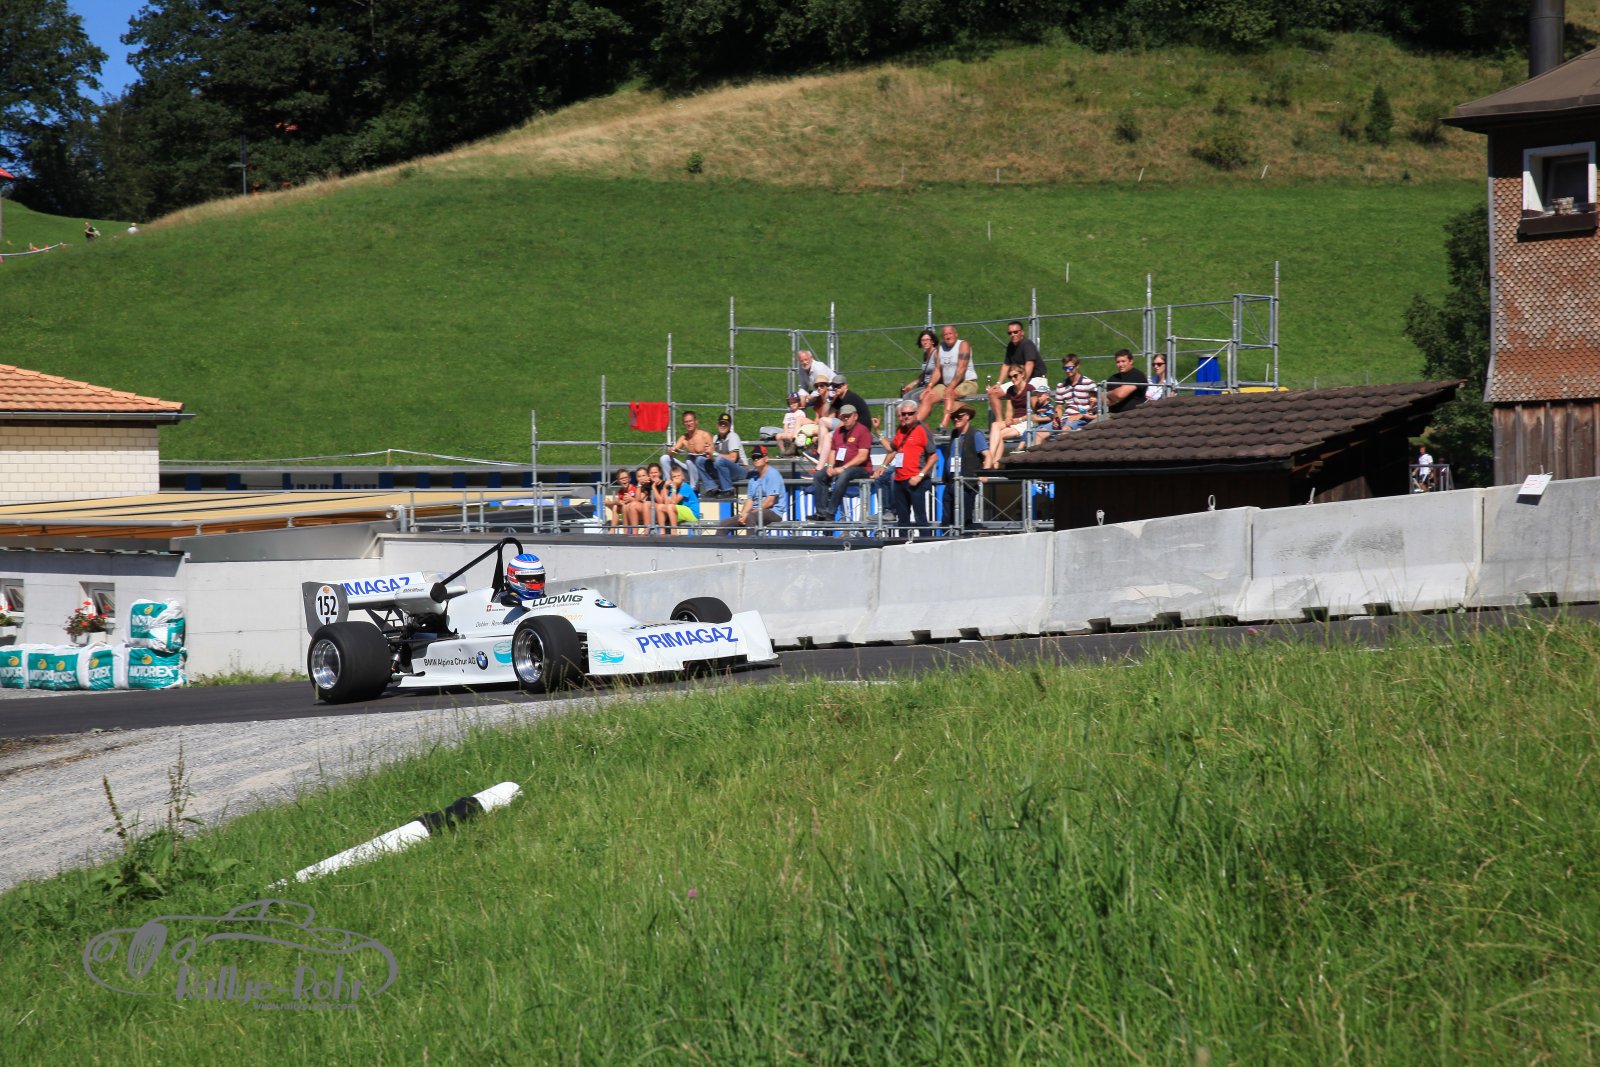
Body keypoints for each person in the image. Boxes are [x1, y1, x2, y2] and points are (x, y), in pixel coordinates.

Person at [808, 404, 873, 522]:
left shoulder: (862, 430)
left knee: (844, 474)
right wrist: (830, 466)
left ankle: (831, 512)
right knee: (819, 475)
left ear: (855, 416)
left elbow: (862, 456)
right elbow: (833, 451)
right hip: (840, 466)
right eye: (843, 416)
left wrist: (843, 467)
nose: (846, 418)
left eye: (848, 416)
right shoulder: (838, 431)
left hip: (861, 468)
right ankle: (821, 513)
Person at [879, 400, 936, 530]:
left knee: (920, 518)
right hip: (899, 479)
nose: (906, 416)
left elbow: (933, 456)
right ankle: (903, 541)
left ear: (916, 413)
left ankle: (926, 542)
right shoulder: (901, 430)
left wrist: (920, 476)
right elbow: (891, 448)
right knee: (902, 520)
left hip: (915, 479)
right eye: (904, 413)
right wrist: (878, 431)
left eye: (910, 413)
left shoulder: (922, 430)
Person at [918, 324, 981, 428]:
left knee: (949, 393)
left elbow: (962, 368)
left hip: (967, 383)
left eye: (950, 333)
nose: (948, 336)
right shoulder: (940, 348)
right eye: (945, 334)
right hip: (946, 385)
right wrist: (929, 386)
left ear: (956, 334)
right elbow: (937, 370)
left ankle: (943, 426)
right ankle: (914, 425)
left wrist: (951, 387)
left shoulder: (963, 345)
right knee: (927, 396)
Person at [984, 377, 1052, 469]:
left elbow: (1034, 412)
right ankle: (993, 461)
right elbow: (1009, 410)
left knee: (998, 434)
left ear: (1022, 375)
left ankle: (992, 462)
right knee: (995, 426)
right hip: (1015, 421)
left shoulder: (1029, 389)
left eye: (1015, 375)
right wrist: (1008, 419)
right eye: (1011, 376)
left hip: (1024, 421)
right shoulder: (1011, 390)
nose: (1013, 378)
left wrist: (1020, 419)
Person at [717, 445, 788, 532]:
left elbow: (769, 502)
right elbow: (750, 500)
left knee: (750, 517)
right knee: (724, 524)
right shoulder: (753, 478)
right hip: (756, 511)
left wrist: (749, 513)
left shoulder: (773, 474)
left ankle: (751, 541)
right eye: (754, 457)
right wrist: (743, 514)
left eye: (759, 456)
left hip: (773, 512)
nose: (756, 459)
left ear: (766, 459)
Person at [940, 404, 987, 529]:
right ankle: (947, 538)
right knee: (946, 520)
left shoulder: (975, 434)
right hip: (951, 482)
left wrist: (984, 473)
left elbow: (988, 455)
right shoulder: (954, 433)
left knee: (964, 519)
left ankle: (967, 536)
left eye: (959, 416)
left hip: (967, 483)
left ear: (967, 416)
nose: (955, 419)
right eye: (953, 417)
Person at [699, 412, 747, 497]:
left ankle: (728, 490)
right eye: (721, 423)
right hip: (723, 469)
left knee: (719, 460)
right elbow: (712, 457)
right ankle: (712, 489)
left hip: (740, 469)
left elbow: (733, 458)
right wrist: (707, 452)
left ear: (730, 426)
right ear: (717, 425)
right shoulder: (715, 438)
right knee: (700, 460)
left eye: (726, 424)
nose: (723, 426)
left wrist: (713, 453)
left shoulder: (733, 436)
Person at [664, 410, 714, 488]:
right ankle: (669, 485)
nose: (688, 424)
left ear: (696, 421)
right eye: (686, 422)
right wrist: (672, 451)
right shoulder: (684, 437)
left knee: (689, 460)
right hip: (690, 470)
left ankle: (693, 488)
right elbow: (673, 450)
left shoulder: (704, 435)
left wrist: (687, 444)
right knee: (665, 458)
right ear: (683, 424)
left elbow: (713, 456)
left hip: (704, 469)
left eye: (690, 421)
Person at [1054, 354, 1098, 430]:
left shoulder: (1089, 383)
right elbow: (1058, 407)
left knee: (1065, 429)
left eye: (1070, 368)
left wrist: (1080, 415)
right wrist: (1057, 419)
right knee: (1039, 432)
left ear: (1077, 366)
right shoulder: (1061, 386)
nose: (1067, 371)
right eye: (1065, 368)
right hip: (1066, 418)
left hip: (1083, 418)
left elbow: (1092, 406)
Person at [900, 329, 940, 408]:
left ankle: (918, 415)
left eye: (927, 339)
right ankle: (908, 414)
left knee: (914, 397)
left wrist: (930, 386)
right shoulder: (925, 355)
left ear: (932, 341)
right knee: (906, 396)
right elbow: (925, 373)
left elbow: (939, 371)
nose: (925, 342)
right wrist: (912, 384)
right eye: (923, 340)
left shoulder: (936, 353)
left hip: (933, 385)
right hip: (924, 385)